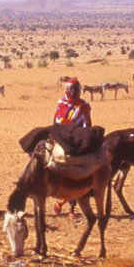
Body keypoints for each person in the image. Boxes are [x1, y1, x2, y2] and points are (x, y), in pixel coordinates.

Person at [52, 78, 92, 216]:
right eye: (72, 90)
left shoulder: (84, 106)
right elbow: (56, 121)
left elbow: (87, 124)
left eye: (76, 90)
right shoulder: (61, 103)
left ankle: (68, 205)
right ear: (68, 90)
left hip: (77, 138)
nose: (74, 92)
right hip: (62, 137)